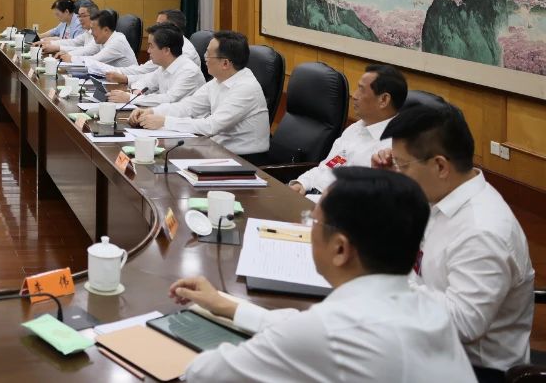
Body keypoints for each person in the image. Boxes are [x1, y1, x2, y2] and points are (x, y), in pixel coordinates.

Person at [170, 167, 475, 383]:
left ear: (341, 249)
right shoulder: (430, 305)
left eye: (313, 222)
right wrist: (228, 306)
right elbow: (301, 330)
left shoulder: (331, 330)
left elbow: (203, 373)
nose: (307, 230)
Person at [378, 103, 534, 378]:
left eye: (402, 165)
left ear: (440, 166)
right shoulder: (443, 195)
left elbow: (464, 325)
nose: (398, 172)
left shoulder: (482, 231)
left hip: (473, 369)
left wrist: (386, 281)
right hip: (425, 339)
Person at [129, 30, 269, 156]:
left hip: (245, 159)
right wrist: (152, 111)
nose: (205, 58)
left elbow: (211, 126)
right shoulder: (218, 80)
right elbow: (188, 106)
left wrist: (165, 121)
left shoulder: (246, 88)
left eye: (208, 55)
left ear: (225, 63)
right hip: (217, 149)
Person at [289, 64, 406, 197]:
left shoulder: (394, 150)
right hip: (310, 195)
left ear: (384, 100)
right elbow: (328, 166)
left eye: (361, 90)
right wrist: (302, 183)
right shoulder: (356, 128)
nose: (354, 96)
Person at [107, 24, 203, 106]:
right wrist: (136, 91)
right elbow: (144, 82)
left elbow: (169, 99)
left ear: (166, 50)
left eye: (151, 46)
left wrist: (130, 98)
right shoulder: (164, 67)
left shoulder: (189, 71)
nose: (148, 51)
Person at [103, 9, 201, 83]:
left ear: (173, 27)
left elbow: (169, 96)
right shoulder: (165, 46)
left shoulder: (185, 53)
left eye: (159, 24)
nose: (156, 28)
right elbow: (147, 73)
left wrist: (125, 79)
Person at [58, 8, 136, 68]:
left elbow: (94, 60)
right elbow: (86, 50)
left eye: (93, 29)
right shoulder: (102, 39)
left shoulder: (117, 42)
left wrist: (71, 58)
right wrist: (67, 55)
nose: (91, 33)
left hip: (129, 83)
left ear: (106, 30)